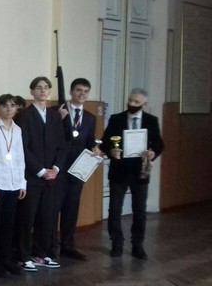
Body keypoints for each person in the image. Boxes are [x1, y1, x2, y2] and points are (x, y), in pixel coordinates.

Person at [100, 88, 164, 259]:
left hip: (140, 171)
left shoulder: (151, 120)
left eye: (136, 102)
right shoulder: (116, 119)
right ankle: (116, 244)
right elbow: (105, 142)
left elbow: (159, 143)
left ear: (144, 104)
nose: (132, 104)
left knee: (139, 210)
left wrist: (152, 153)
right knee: (114, 209)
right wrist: (111, 152)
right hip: (119, 170)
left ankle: (138, 244)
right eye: (130, 100)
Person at [16, 77, 66, 271]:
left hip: (51, 177)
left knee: (46, 218)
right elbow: (23, 148)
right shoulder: (24, 116)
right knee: (27, 218)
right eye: (39, 88)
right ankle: (23, 256)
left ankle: (41, 254)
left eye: (46, 88)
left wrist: (56, 169)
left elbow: (61, 145)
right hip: (32, 176)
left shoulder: (54, 116)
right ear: (32, 91)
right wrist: (41, 170)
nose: (43, 91)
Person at [49, 78, 99, 261]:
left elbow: (89, 140)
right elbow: (49, 136)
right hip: (57, 167)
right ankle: (51, 246)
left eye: (86, 91)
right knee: (53, 209)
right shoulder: (56, 111)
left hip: (78, 169)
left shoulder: (90, 118)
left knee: (71, 209)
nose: (82, 94)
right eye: (78, 90)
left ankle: (68, 245)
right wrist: (58, 119)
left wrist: (95, 147)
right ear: (71, 91)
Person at [0, 94, 26, 277]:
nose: (9, 109)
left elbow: (20, 157)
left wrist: (22, 182)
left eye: (12, 105)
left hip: (14, 183)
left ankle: (6, 259)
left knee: (9, 224)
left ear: (16, 108)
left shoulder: (18, 130)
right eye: (5, 105)